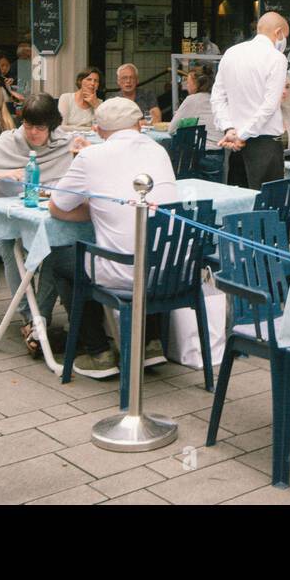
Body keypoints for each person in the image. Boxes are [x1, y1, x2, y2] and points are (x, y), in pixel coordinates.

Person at [49, 97, 179, 376]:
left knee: (60, 258)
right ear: (140, 125)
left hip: (124, 271)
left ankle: (98, 351)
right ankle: (151, 342)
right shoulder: (159, 150)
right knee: (147, 246)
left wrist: (95, 210)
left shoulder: (90, 156)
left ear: (98, 130)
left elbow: (58, 207)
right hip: (171, 270)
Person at [0, 93, 84, 354]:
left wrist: (86, 150)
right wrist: (0, 174)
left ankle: (40, 321)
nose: (33, 133)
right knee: (9, 241)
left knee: (55, 246)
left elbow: (91, 158)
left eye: (40, 128)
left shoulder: (63, 143)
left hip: (39, 222)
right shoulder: (8, 143)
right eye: (28, 126)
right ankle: (29, 317)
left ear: (52, 127)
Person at [210, 12, 290, 190]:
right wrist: (242, 134)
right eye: (285, 36)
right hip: (265, 145)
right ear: (278, 33)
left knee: (238, 204)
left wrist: (229, 128)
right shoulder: (277, 58)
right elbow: (270, 106)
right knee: (267, 208)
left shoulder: (231, 53)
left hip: (235, 145)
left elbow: (217, 97)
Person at [58, 67, 102, 131]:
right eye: (89, 79)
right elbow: (61, 127)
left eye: (96, 81)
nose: (92, 83)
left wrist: (96, 106)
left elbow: (102, 128)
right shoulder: (66, 98)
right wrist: (89, 129)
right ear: (80, 81)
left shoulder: (99, 103)